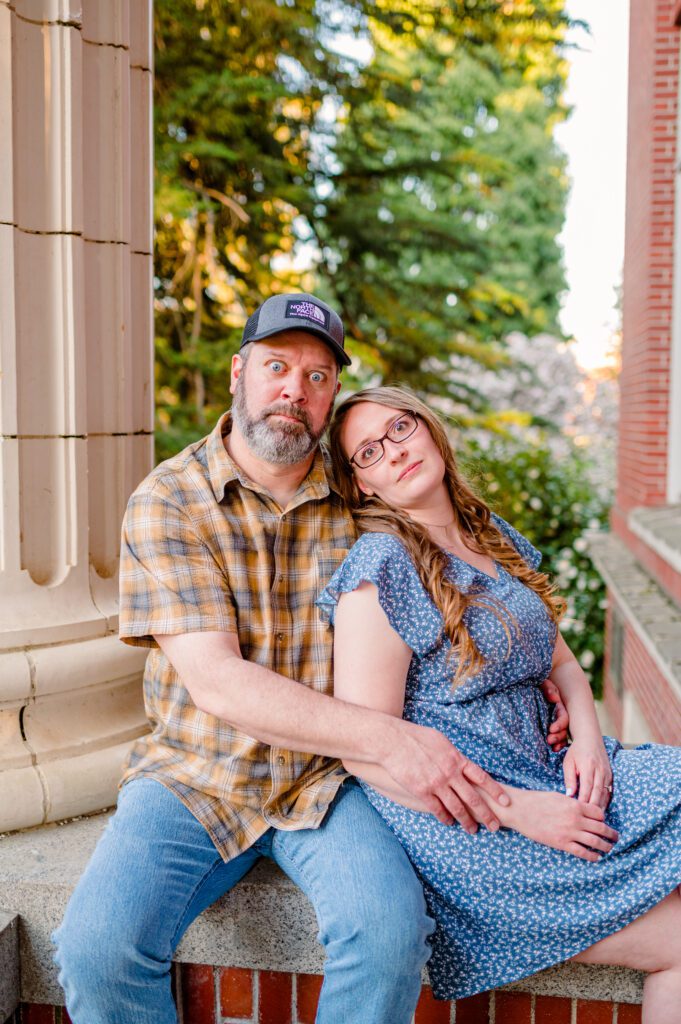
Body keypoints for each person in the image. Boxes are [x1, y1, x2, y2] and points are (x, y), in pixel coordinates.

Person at [52, 295, 569, 1024]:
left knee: (389, 937)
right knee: (97, 953)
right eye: (277, 366)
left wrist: (545, 682)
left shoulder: (365, 498)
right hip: (197, 774)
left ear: (329, 399)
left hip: (332, 785)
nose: (295, 388)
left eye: (318, 375)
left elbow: (487, 585)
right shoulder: (168, 502)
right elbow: (220, 684)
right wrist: (396, 739)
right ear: (239, 373)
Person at [321, 384, 681, 1023]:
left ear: (429, 429)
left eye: (400, 429)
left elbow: (559, 657)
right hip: (478, 824)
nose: (395, 453)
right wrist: (521, 813)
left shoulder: (484, 530)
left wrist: (591, 737)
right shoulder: (382, 564)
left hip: (555, 769)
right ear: (363, 487)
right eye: (369, 453)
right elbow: (366, 749)